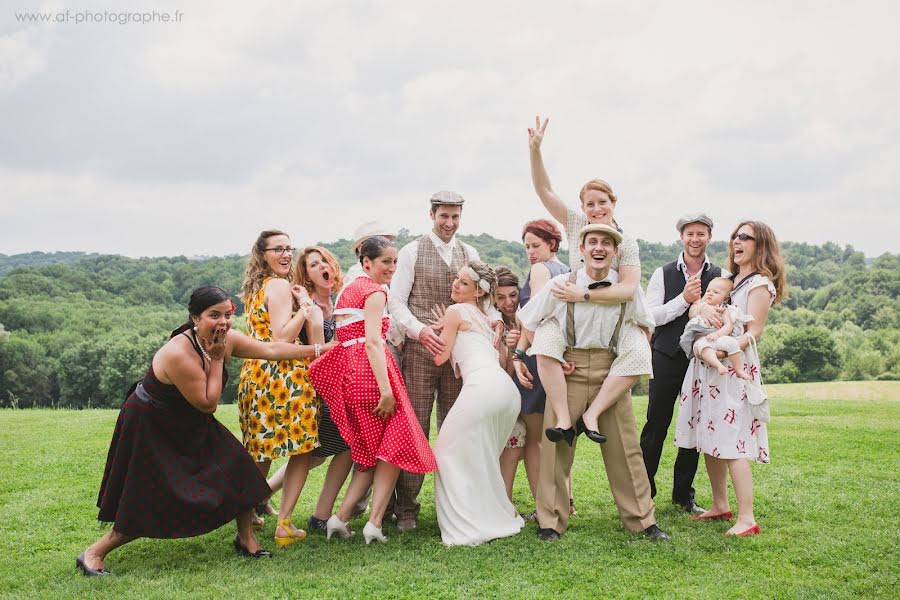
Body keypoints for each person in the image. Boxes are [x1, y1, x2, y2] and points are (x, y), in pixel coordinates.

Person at [76, 286, 318, 576]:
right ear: (195, 318)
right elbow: (207, 404)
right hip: (153, 422)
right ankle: (94, 552)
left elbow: (270, 349)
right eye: (214, 315)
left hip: (187, 418)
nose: (223, 322)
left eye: (228, 314)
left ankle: (245, 537)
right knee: (149, 497)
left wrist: (318, 349)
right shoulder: (179, 352)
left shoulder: (223, 339)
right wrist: (216, 360)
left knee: (240, 467)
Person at [515, 224, 669, 542]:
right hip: (568, 372)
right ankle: (550, 522)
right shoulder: (561, 284)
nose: (599, 248)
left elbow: (646, 327)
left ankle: (642, 521)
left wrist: (625, 359)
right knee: (556, 448)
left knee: (626, 450)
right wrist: (520, 356)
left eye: (606, 244)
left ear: (614, 253)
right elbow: (529, 320)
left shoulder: (627, 289)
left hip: (610, 372)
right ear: (582, 249)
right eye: (593, 242)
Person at [524, 115, 654, 446]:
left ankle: (592, 413)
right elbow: (544, 190)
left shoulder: (625, 241)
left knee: (639, 352)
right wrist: (535, 149)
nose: (597, 209)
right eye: (590, 204)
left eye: (602, 203)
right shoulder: (577, 224)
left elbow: (627, 289)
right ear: (583, 208)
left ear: (614, 203)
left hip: (608, 318)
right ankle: (565, 420)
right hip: (572, 319)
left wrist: (582, 295)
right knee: (545, 341)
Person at [309, 236, 437, 544]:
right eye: (385, 262)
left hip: (349, 375)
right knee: (394, 447)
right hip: (371, 374)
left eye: (394, 262)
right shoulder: (375, 291)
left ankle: (340, 519)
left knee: (367, 454)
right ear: (366, 263)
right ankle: (374, 522)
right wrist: (386, 389)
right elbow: (372, 342)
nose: (392, 268)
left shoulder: (348, 291)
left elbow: (345, 340)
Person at [388, 191, 491, 532]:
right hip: (419, 352)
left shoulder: (470, 253)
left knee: (456, 428)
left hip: (458, 355)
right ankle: (406, 509)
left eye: (455, 217)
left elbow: (482, 303)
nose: (449, 223)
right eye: (444, 216)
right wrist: (419, 331)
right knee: (416, 425)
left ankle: (458, 503)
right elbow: (396, 302)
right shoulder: (412, 251)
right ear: (431, 214)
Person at [675, 221, 787, 536]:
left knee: (734, 441)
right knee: (710, 439)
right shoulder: (730, 280)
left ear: (760, 244)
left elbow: (754, 332)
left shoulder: (760, 285)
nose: (737, 242)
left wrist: (723, 351)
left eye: (745, 237)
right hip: (708, 370)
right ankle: (720, 505)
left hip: (733, 368)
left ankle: (747, 518)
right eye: (735, 237)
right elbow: (701, 305)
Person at [237, 230, 330, 548]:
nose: (286, 254)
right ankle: (284, 524)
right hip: (283, 376)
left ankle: (245, 516)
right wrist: (305, 307)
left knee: (260, 452)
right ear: (262, 254)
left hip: (256, 374)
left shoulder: (255, 288)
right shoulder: (277, 285)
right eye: (278, 249)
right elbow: (281, 338)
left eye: (289, 248)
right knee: (302, 450)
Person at [431, 261, 525, 545]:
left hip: (483, 387)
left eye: (463, 283)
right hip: (506, 392)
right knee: (482, 456)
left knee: (446, 452)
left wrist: (436, 332)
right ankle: (494, 513)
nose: (455, 286)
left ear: (479, 292)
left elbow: (439, 357)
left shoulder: (454, 311)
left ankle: (468, 523)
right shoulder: (489, 319)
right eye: (456, 280)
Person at [266, 246, 358, 534]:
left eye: (326, 261)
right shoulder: (304, 307)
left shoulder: (343, 300)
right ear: (305, 275)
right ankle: (317, 514)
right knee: (322, 451)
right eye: (314, 265)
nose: (323, 267)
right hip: (317, 388)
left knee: (322, 453)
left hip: (343, 386)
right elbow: (317, 354)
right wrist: (312, 311)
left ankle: (264, 496)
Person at [642, 214, 726, 513]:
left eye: (701, 233)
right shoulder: (662, 273)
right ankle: (644, 491)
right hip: (665, 356)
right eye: (690, 233)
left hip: (701, 361)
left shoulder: (721, 274)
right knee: (656, 424)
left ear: (709, 237)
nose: (695, 239)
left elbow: (726, 313)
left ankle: (683, 495)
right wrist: (684, 300)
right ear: (681, 237)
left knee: (694, 427)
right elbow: (650, 317)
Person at [679, 277, 752, 379]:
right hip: (702, 339)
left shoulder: (724, 310)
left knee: (733, 344)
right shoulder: (700, 305)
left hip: (719, 337)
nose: (710, 293)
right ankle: (718, 365)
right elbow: (691, 316)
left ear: (725, 298)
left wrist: (717, 334)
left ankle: (739, 369)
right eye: (708, 291)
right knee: (703, 347)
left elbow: (728, 326)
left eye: (716, 292)